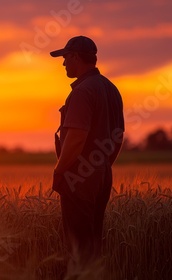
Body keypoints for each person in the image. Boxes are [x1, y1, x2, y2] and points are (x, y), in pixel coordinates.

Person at [50, 36, 125, 270]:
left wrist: (60, 171)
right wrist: (102, 165)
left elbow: (76, 138)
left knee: (78, 248)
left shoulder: (83, 91)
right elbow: (118, 136)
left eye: (65, 58)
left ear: (74, 57)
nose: (63, 64)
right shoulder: (110, 89)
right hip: (102, 174)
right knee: (93, 244)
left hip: (78, 177)